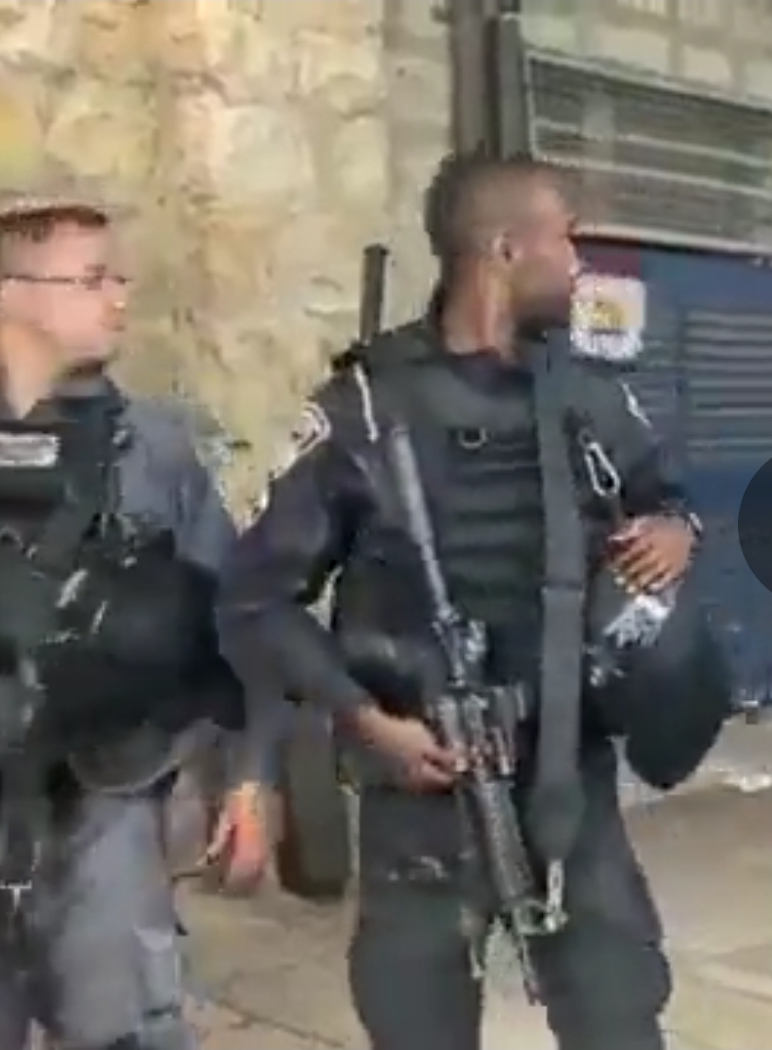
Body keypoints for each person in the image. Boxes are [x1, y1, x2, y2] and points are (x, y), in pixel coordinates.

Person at [215, 151, 704, 1050]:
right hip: (422, 788)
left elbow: (666, 500)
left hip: (566, 774)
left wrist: (675, 532)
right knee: (419, 1022)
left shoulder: (587, 395)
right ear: (506, 249)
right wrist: (365, 720)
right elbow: (258, 602)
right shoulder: (363, 409)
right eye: (566, 240)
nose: (579, 263)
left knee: (620, 1014)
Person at [0, 201, 274, 1050]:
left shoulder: (152, 449)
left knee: (124, 1030)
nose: (120, 297)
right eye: (94, 278)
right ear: (10, 293)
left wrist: (249, 780)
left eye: (119, 277)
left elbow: (238, 620)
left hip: (104, 799)